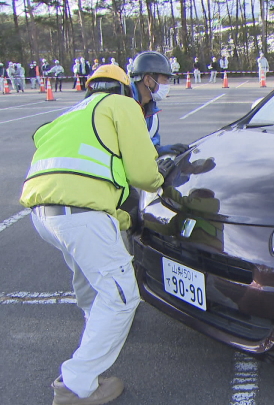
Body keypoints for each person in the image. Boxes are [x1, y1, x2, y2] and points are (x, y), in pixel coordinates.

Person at [19, 63, 174, 405]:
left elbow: (82, 174)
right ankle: (76, 384)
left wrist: (116, 216)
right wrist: (161, 176)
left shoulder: (69, 114)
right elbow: (143, 174)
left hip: (43, 213)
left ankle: (94, 322)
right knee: (121, 298)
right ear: (124, 88)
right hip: (79, 215)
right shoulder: (121, 105)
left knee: (87, 275)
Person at [130, 51, 189, 156]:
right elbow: (129, 149)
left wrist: (159, 150)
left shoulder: (151, 108)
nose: (167, 85)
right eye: (165, 80)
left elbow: (150, 141)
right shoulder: (125, 105)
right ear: (148, 80)